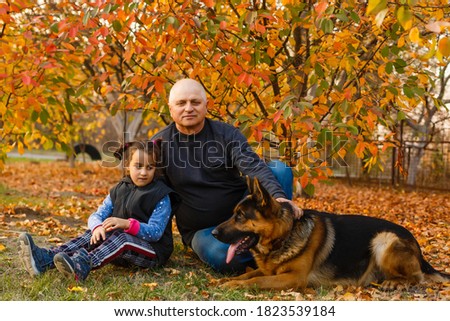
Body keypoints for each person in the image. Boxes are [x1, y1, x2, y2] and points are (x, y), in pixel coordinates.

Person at [152, 78, 301, 274]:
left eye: (195, 102)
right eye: (181, 103)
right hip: (203, 230)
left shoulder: (226, 134)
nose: (189, 108)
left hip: (241, 217)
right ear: (171, 109)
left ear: (206, 106)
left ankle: (281, 240)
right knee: (224, 258)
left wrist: (278, 196)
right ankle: (266, 250)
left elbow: (253, 166)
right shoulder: (159, 144)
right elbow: (151, 191)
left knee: (280, 169)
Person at [18, 140, 179, 281]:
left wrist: (126, 224)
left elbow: (156, 232)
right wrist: (97, 227)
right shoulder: (119, 189)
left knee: (122, 236)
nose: (144, 172)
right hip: (117, 250)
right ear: (127, 165)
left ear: (155, 169)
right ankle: (44, 260)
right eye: (138, 166)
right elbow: (97, 215)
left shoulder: (161, 195)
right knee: (94, 233)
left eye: (149, 167)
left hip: (152, 252)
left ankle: (83, 265)